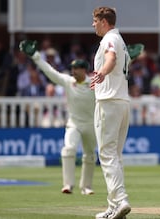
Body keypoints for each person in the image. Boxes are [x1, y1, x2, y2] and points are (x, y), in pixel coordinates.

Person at [19, 40, 97, 195]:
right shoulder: (68, 81)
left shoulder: (94, 83)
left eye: (76, 69)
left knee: (89, 155)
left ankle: (86, 187)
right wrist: (35, 56)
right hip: (74, 123)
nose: (73, 71)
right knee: (68, 149)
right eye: (72, 68)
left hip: (91, 124)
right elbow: (50, 72)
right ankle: (68, 185)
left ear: (84, 70)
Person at [90, 6, 131, 219]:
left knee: (106, 154)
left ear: (104, 21)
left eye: (95, 21)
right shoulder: (120, 40)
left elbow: (111, 58)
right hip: (122, 102)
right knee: (114, 156)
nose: (93, 24)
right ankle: (114, 205)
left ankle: (121, 199)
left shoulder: (109, 40)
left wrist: (101, 74)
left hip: (108, 102)